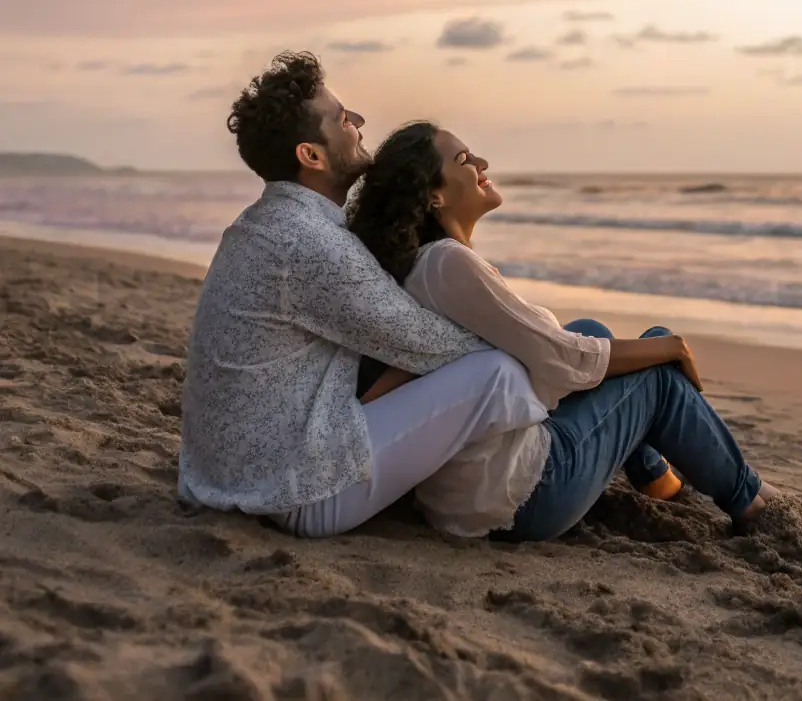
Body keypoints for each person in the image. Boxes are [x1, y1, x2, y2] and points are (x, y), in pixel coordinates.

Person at [178, 53, 549, 539]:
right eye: (342, 118)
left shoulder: (262, 226)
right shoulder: (311, 244)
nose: (358, 124)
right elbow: (443, 348)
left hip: (231, 475)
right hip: (291, 493)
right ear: (311, 155)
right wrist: (512, 317)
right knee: (498, 371)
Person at [347, 122, 777, 541]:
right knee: (658, 374)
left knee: (593, 332)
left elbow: (545, 350)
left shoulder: (432, 264)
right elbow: (563, 359)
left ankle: (656, 477)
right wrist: (670, 346)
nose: (481, 162)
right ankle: (749, 499)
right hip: (524, 496)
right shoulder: (448, 265)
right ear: (434, 195)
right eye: (463, 159)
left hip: (470, 486)